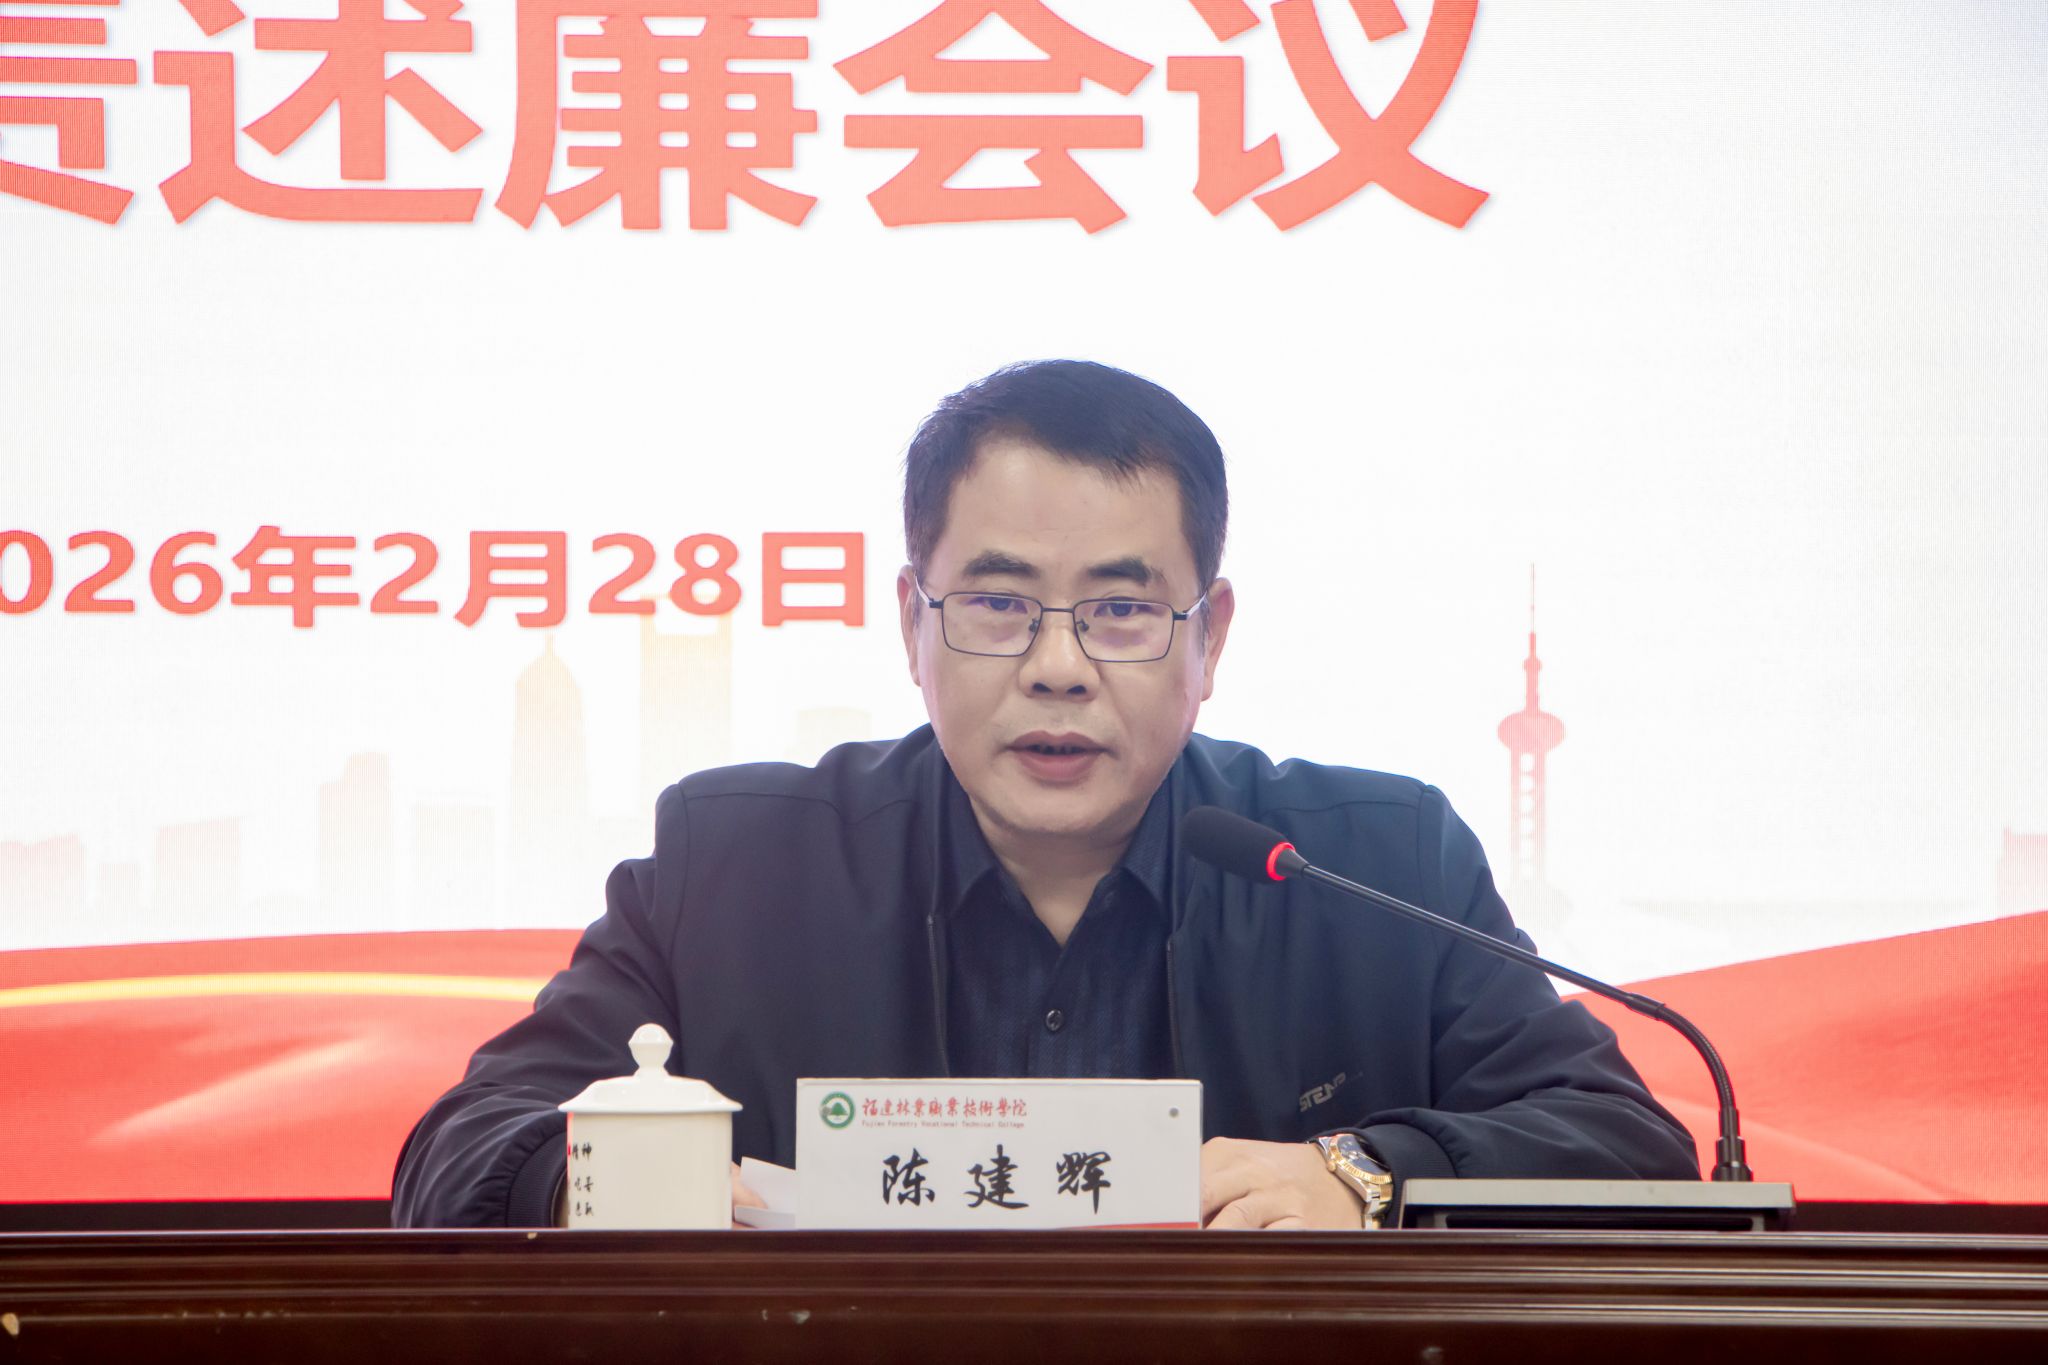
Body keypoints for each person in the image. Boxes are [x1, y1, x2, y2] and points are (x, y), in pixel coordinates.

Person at [392, 360, 1697, 1231]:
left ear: (1208, 636)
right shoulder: (732, 869)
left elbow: (1625, 1143)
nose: (1059, 667)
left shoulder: (1375, 864)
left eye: (1121, 610)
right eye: (1000, 604)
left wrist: (1362, 1171)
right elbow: (456, 1152)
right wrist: (626, 1183)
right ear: (913, 624)